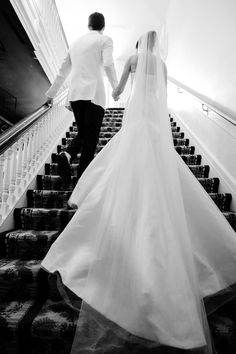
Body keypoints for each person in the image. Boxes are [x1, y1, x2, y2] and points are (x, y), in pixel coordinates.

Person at [42, 31, 236, 353]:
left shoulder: (132, 60)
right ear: (156, 48)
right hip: (156, 128)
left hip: (135, 125)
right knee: (159, 179)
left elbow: (119, 91)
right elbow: (162, 97)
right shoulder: (160, 65)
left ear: (137, 48)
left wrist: (116, 91)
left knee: (118, 171)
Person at [45, 12, 118, 182]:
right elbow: (108, 63)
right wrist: (115, 88)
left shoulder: (75, 43)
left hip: (75, 95)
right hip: (94, 95)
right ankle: (81, 183)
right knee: (90, 140)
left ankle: (67, 154)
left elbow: (62, 72)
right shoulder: (105, 40)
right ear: (103, 27)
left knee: (84, 134)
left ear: (88, 25)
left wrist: (51, 94)